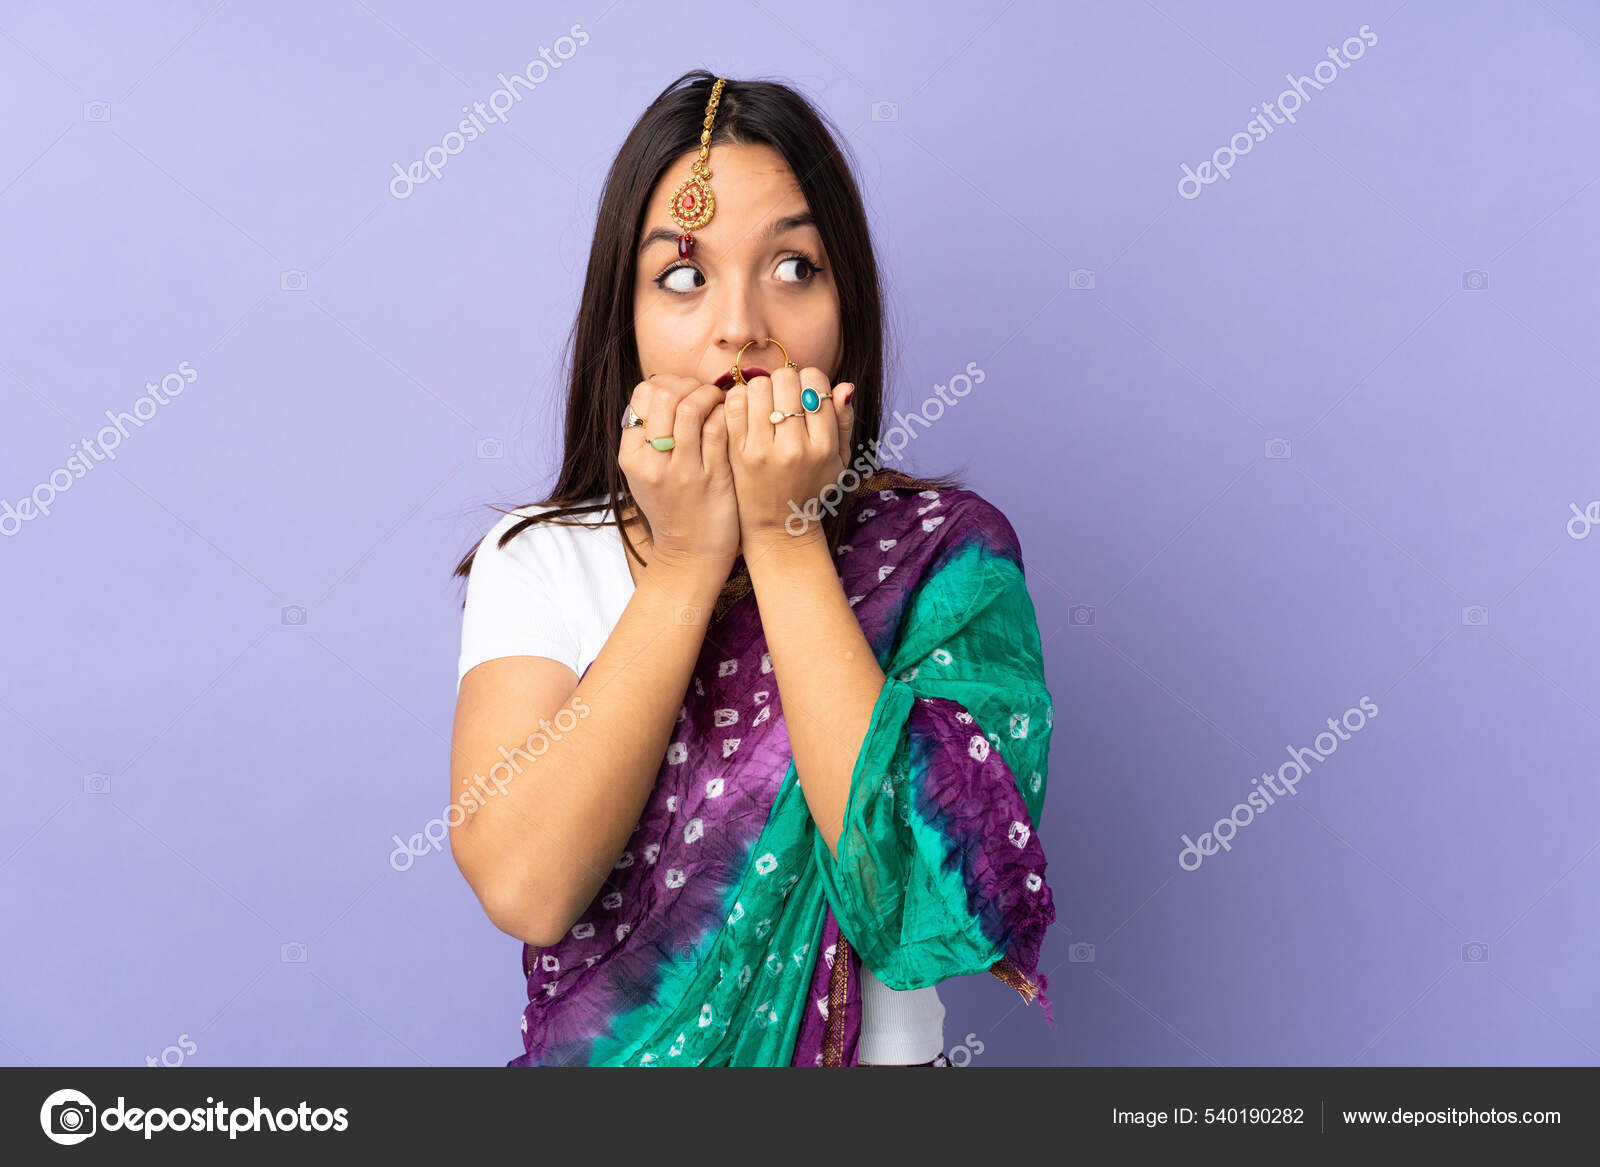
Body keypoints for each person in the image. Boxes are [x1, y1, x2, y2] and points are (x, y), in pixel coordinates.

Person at [448, 71, 1056, 1067]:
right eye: (683, 278)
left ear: (847, 308)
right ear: (625, 322)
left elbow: (923, 903)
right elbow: (526, 884)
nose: (741, 326)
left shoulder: (950, 554)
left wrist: (783, 536)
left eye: (792, 267)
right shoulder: (545, 558)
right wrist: (687, 563)